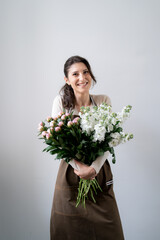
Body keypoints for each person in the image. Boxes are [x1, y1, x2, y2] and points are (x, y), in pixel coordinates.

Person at [50, 55, 124, 240]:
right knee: (68, 228)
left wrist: (94, 168)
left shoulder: (103, 101)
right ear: (67, 80)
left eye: (85, 72)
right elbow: (57, 141)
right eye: (75, 74)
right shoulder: (61, 103)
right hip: (70, 172)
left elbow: (110, 139)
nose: (82, 78)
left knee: (110, 230)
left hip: (99, 173)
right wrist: (80, 168)